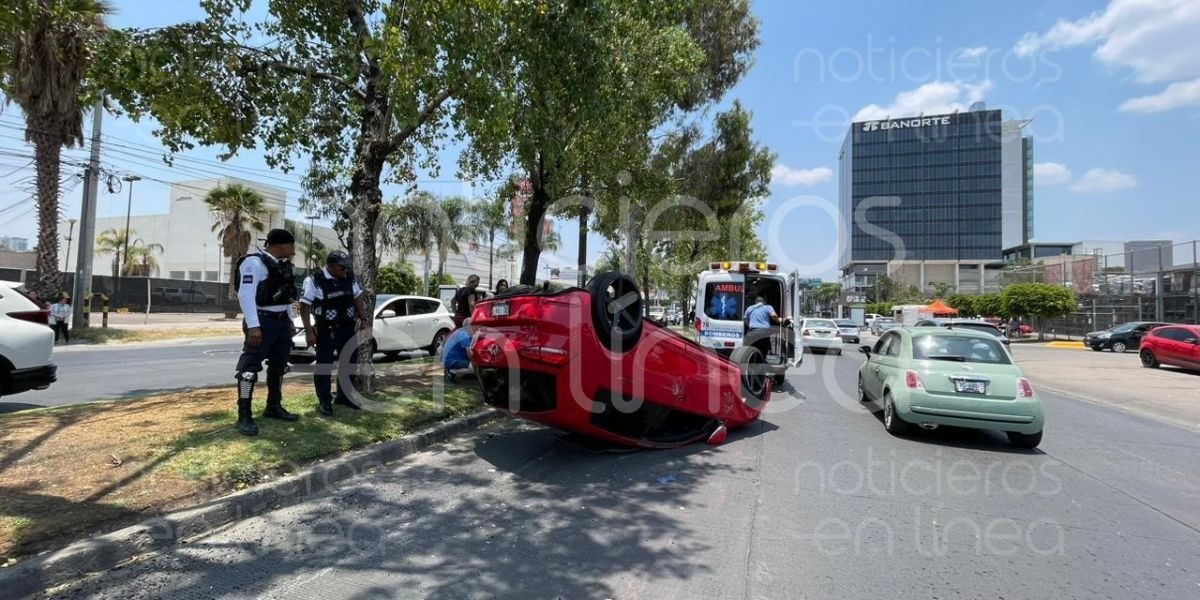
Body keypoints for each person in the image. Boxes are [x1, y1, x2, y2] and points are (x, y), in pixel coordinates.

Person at [232, 228, 300, 436]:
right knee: (249, 370)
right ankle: (244, 415)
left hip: (280, 322)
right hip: (261, 322)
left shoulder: (282, 266)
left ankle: (274, 406)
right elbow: (245, 296)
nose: (293, 249)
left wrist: (289, 321)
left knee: (279, 367)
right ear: (281, 245)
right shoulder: (253, 263)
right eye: (291, 245)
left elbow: (286, 296)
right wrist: (254, 326)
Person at [299, 250, 371, 416]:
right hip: (326, 330)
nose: (345, 271)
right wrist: (309, 331)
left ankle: (345, 397)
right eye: (342, 268)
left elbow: (358, 298)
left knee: (349, 363)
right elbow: (304, 306)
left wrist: (364, 320)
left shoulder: (349, 278)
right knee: (324, 366)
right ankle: (324, 401)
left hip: (348, 328)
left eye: (347, 267)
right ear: (330, 266)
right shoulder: (314, 280)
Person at [442, 318, 474, 383]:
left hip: (449, 359)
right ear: (469, 327)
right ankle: (451, 371)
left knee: (473, 365)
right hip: (451, 361)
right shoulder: (464, 335)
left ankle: (464, 374)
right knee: (475, 367)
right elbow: (470, 355)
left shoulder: (461, 332)